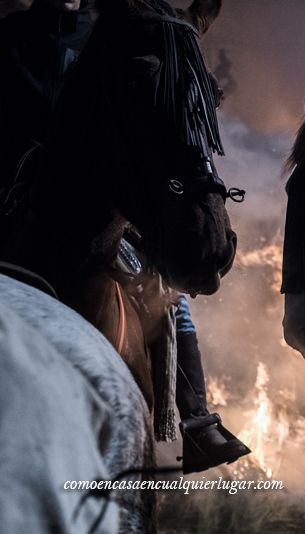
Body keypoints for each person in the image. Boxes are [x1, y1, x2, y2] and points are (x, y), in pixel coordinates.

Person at [0, 0, 249, 474]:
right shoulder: (12, 39)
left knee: (167, 292)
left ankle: (189, 417)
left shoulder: (113, 37)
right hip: (17, 184)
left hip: (102, 194)